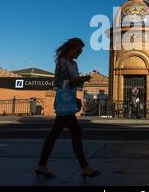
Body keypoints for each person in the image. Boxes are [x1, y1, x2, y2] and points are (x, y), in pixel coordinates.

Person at [35, 38, 101, 179]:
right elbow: (58, 83)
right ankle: (85, 168)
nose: (80, 53)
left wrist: (78, 83)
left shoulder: (74, 64)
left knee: (55, 134)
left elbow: (73, 84)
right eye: (78, 50)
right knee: (75, 131)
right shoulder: (62, 62)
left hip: (69, 99)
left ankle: (41, 165)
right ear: (71, 49)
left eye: (81, 51)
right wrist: (77, 81)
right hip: (64, 101)